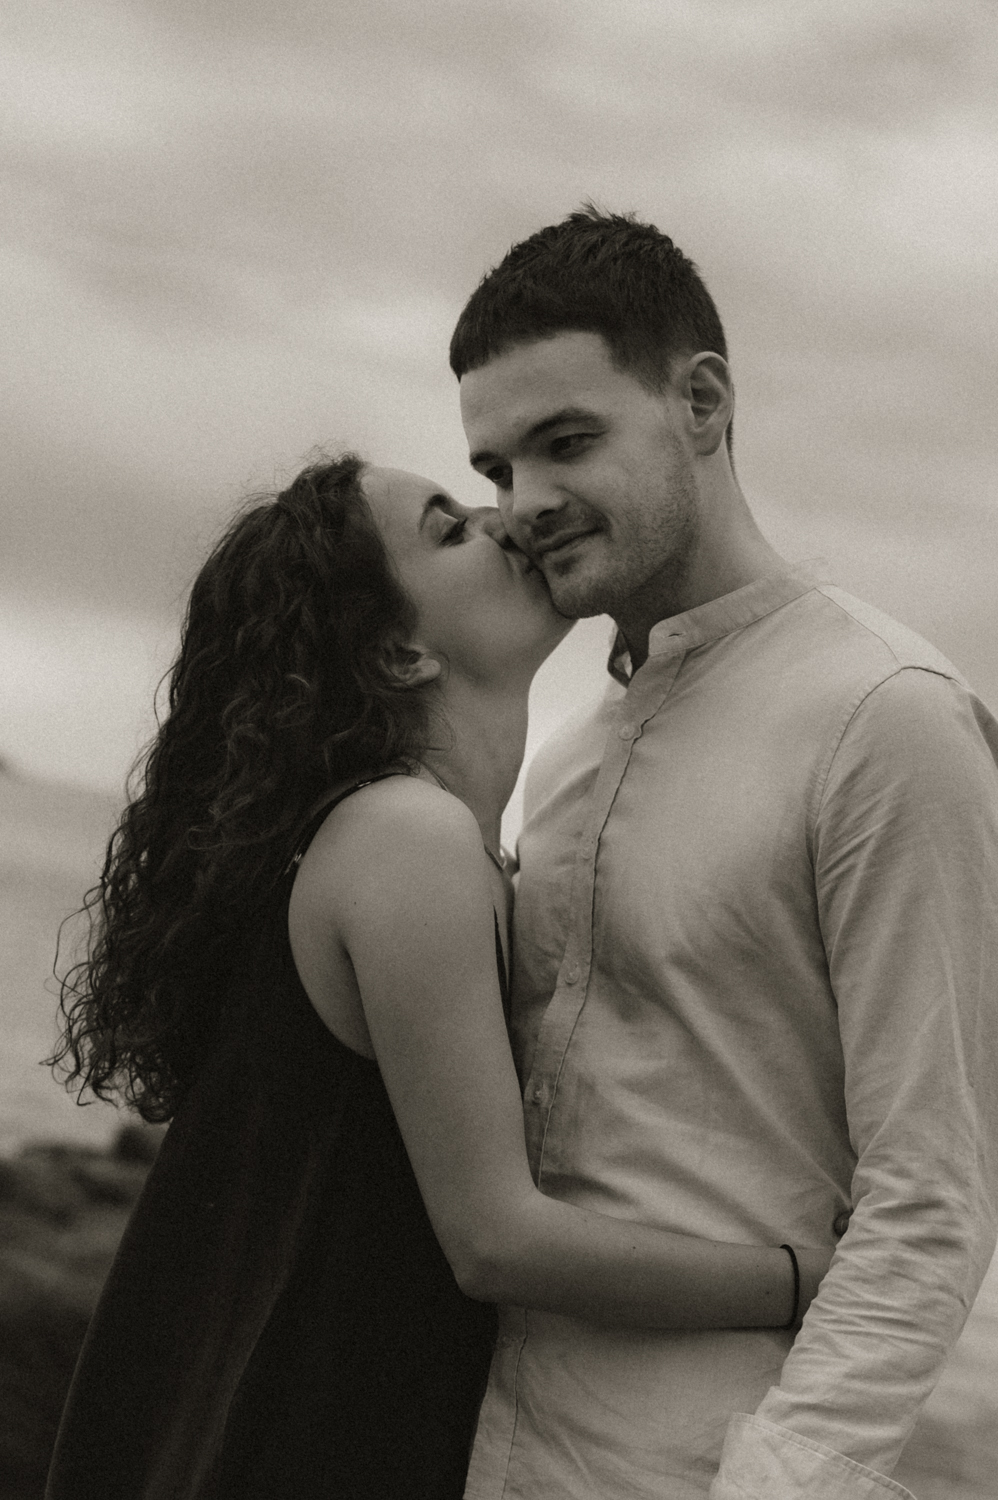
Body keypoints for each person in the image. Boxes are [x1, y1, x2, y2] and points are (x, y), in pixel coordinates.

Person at [44, 454, 829, 1500]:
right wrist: (802, 1280)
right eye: (449, 528)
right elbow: (495, 1241)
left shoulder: (425, 843)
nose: (504, 522)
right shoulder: (404, 840)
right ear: (399, 651)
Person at [451, 207, 998, 1500]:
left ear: (700, 403)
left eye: (565, 443)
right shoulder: (567, 757)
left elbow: (929, 1197)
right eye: (493, 470)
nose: (523, 506)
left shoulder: (885, 718)